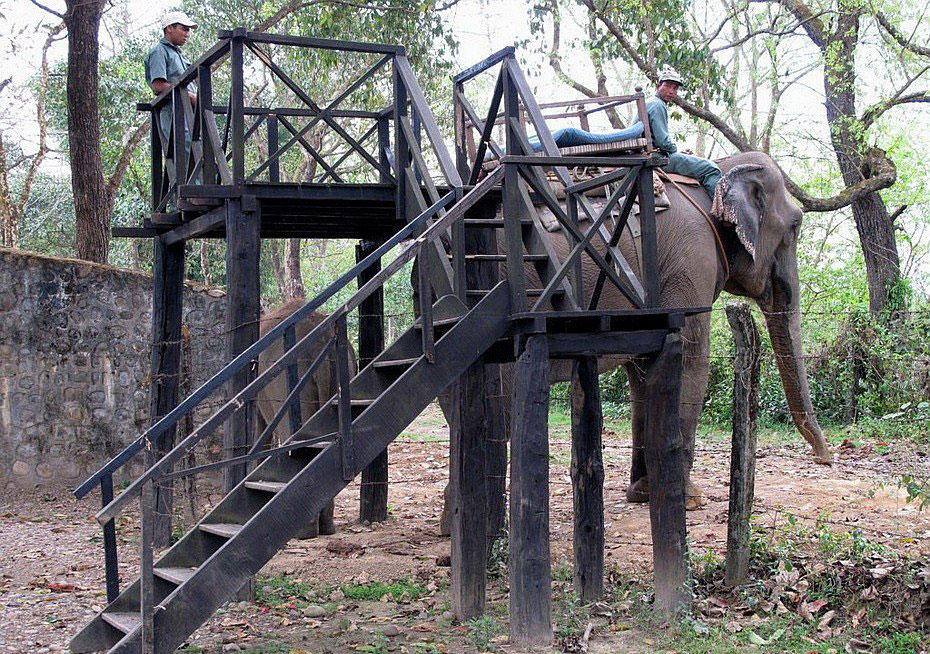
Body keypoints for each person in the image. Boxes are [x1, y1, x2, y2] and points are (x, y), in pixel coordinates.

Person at [634, 69, 721, 199]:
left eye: (675, 88)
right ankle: (720, 212)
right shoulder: (658, 105)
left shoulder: (651, 103)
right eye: (667, 86)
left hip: (646, 152)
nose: (671, 91)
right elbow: (663, 142)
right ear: (658, 86)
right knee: (711, 169)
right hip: (656, 157)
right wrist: (675, 150)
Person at [145, 11, 199, 150]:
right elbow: (158, 86)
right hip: (174, 112)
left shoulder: (178, 54)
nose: (187, 34)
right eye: (184, 29)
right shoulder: (159, 51)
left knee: (199, 153)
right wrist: (189, 95)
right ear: (169, 28)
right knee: (185, 153)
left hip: (189, 113)